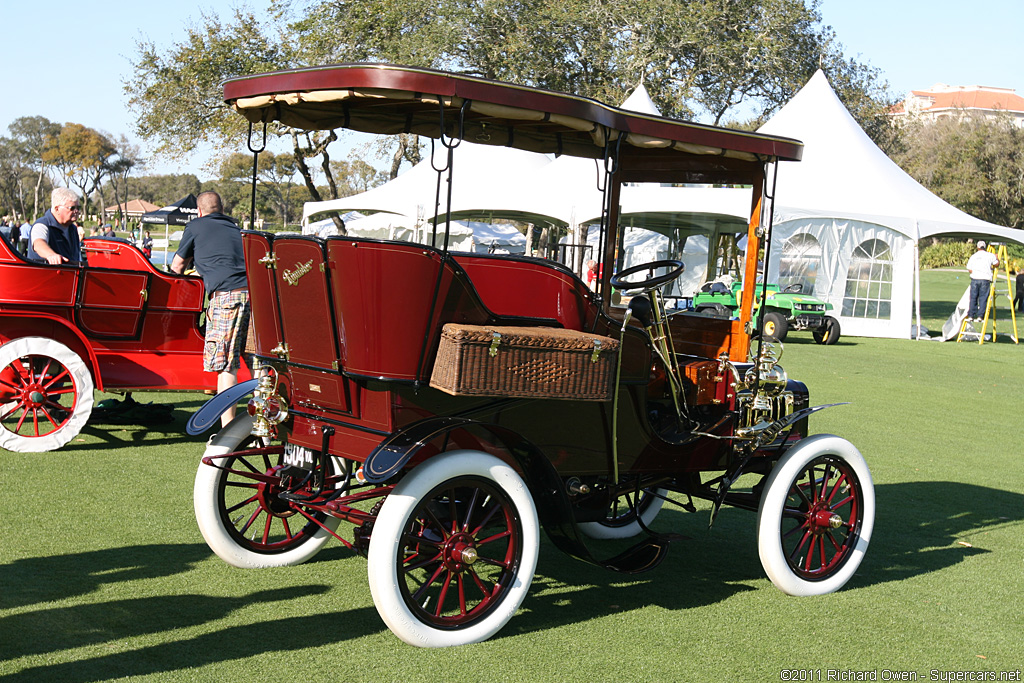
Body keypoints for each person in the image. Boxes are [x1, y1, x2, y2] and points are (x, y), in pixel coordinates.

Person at [170, 191, 250, 427]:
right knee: (256, 364)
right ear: (222, 209)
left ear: (199, 211)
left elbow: (177, 265)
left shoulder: (195, 226)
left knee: (226, 365)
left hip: (226, 298)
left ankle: (228, 431)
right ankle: (264, 428)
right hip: (254, 296)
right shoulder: (237, 229)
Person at [28, 187, 84, 265]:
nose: (76, 211)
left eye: (78, 208)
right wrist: (51, 255)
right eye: (72, 208)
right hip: (45, 275)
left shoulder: (73, 229)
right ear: (57, 209)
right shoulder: (42, 225)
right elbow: (38, 244)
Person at [965, 240, 999, 322]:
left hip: (975, 279)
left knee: (973, 298)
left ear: (977, 247)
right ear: (985, 247)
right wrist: (997, 257)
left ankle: (971, 315)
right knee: (983, 298)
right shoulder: (990, 255)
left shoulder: (973, 256)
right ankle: (980, 316)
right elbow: (996, 264)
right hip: (985, 279)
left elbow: (969, 269)